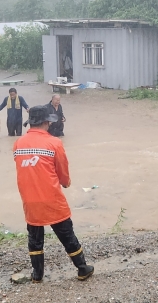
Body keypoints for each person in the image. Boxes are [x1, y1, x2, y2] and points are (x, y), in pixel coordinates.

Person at [13, 105, 94, 283]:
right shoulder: (54, 143)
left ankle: (37, 275)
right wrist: (66, 183)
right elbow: (63, 174)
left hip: (29, 200)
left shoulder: (18, 144)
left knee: (35, 239)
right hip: (52, 199)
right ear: (46, 122)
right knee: (67, 235)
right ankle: (82, 269)